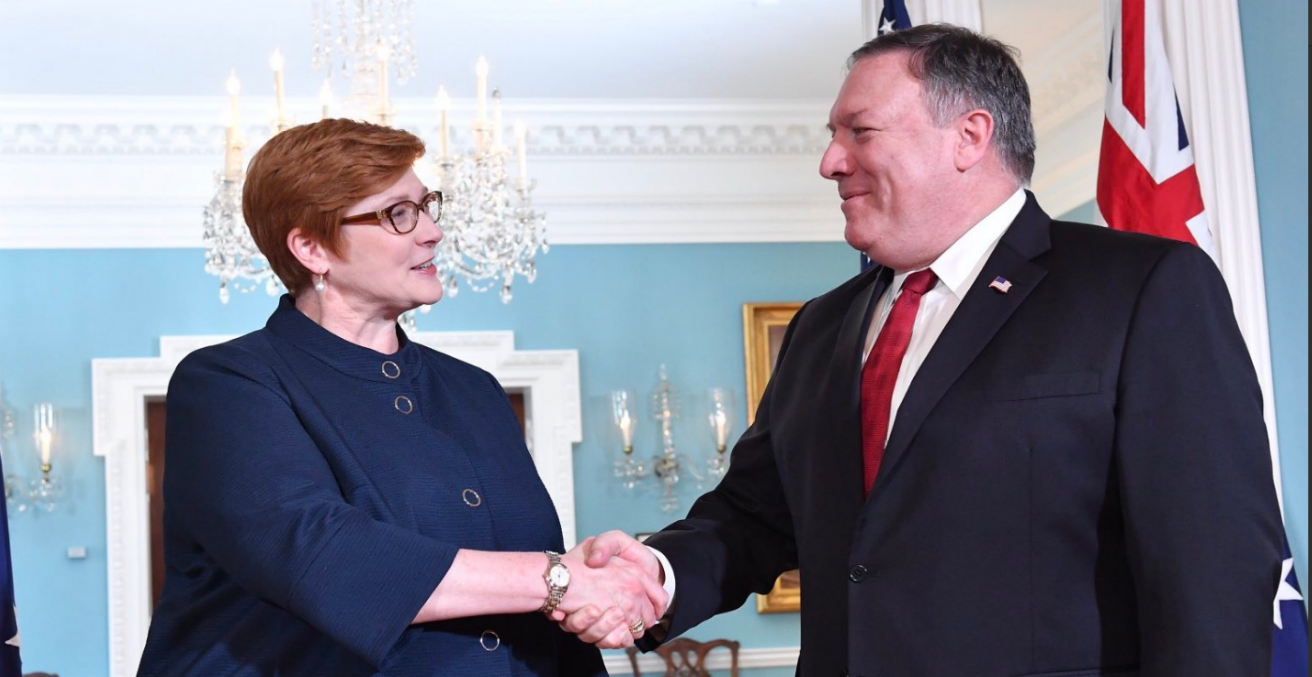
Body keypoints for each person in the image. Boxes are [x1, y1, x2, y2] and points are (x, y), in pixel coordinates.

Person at [565, 24, 1285, 677]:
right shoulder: (821, 328)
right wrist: (655, 571)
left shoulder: (1141, 289)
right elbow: (753, 517)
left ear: (969, 136)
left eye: (860, 131)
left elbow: (1211, 571)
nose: (829, 161)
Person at [137, 118, 666, 677]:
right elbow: (327, 558)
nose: (432, 231)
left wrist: (585, 582)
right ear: (311, 247)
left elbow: (531, 585)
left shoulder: (475, 391)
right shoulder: (228, 383)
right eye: (398, 214)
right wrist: (558, 579)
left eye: (427, 204)